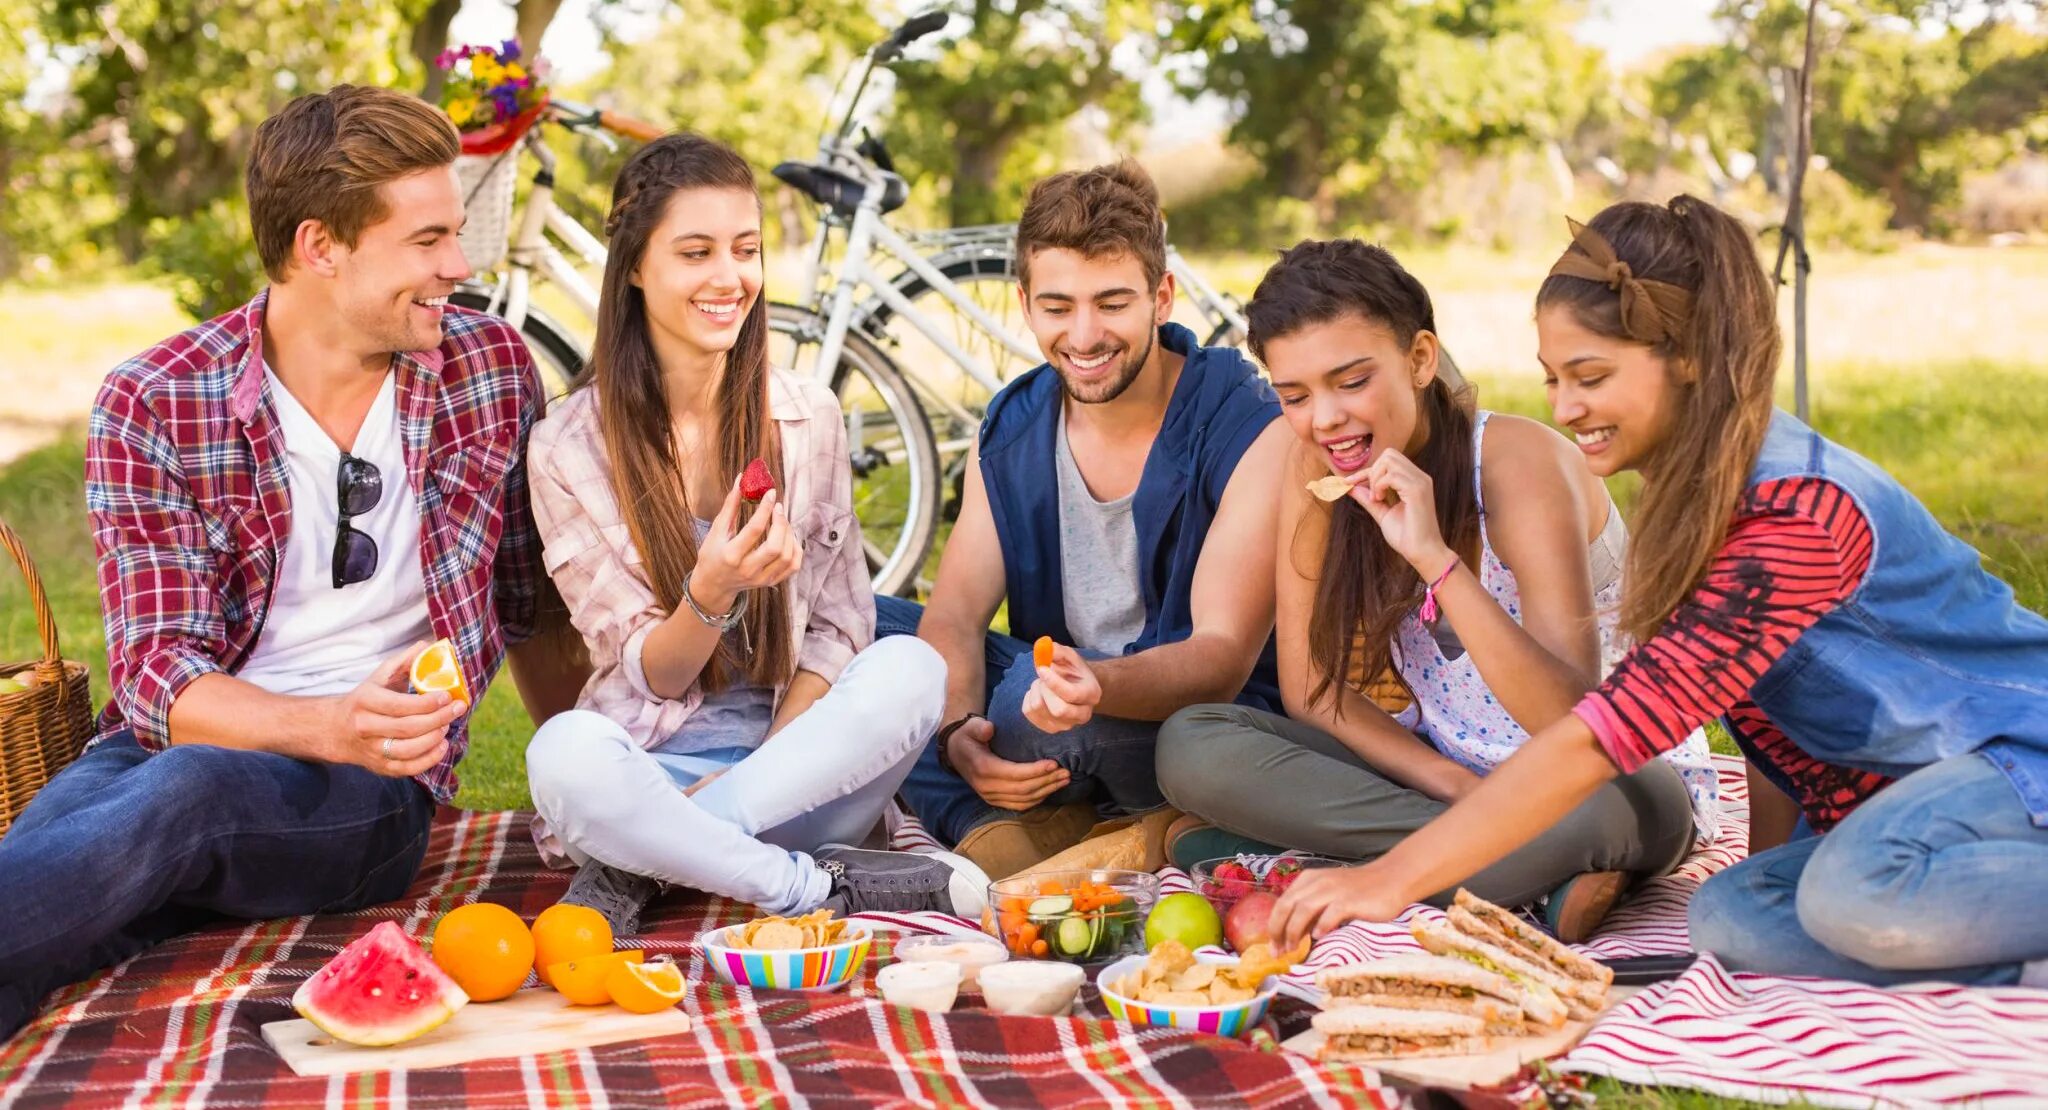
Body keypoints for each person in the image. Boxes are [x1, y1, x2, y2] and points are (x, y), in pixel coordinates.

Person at [1271, 196, 2048, 989]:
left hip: (2016, 761)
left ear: (1689, 357)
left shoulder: (1798, 515)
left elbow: (1602, 734)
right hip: (1914, 806)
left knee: (1853, 892)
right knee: (1733, 917)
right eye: (1553, 379)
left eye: (1591, 377)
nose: (1564, 408)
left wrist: (1388, 879)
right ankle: (2010, 962)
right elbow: (1767, 728)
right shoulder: (1699, 497)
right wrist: (1773, 866)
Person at [0, 86, 554, 1040]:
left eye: (454, 234)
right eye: (425, 242)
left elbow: (536, 604)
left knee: (189, 795)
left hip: (372, 787)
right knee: (68, 851)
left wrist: (590, 790)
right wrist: (315, 720)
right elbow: (156, 675)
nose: (459, 267)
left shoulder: (490, 371)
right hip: (161, 748)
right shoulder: (157, 399)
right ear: (319, 246)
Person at [1157, 240, 1719, 941]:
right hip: (1453, 772)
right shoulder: (1316, 472)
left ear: (1420, 359)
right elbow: (1311, 691)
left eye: (1351, 381)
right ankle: (1510, 873)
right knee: (1192, 743)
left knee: (1606, 808)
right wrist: (1449, 783)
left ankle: (1317, 863)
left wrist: (1435, 561)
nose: (1325, 418)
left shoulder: (1519, 464)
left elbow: (1570, 720)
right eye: (1294, 395)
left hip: (1607, 773)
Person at [522, 133, 986, 935]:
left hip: (799, 775)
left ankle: (649, 864)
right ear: (635, 267)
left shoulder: (809, 417)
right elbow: (653, 678)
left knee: (910, 665)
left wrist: (761, 771)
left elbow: (839, 631)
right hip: (649, 770)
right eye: (695, 252)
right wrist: (712, 592)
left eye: (746, 249)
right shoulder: (568, 446)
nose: (728, 278)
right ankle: (807, 887)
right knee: (561, 754)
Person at [879, 160, 1290, 879]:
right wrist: (952, 735)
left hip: (1181, 722)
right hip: (1054, 692)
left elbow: (1223, 657)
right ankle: (1014, 827)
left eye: (1112, 302)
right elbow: (952, 617)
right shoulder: (1010, 428)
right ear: (1025, 303)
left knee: (1023, 706)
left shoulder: (1245, 420)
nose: (1085, 334)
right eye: (1058, 306)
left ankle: (1017, 821)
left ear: (1162, 297)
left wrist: (1091, 687)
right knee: (857, 630)